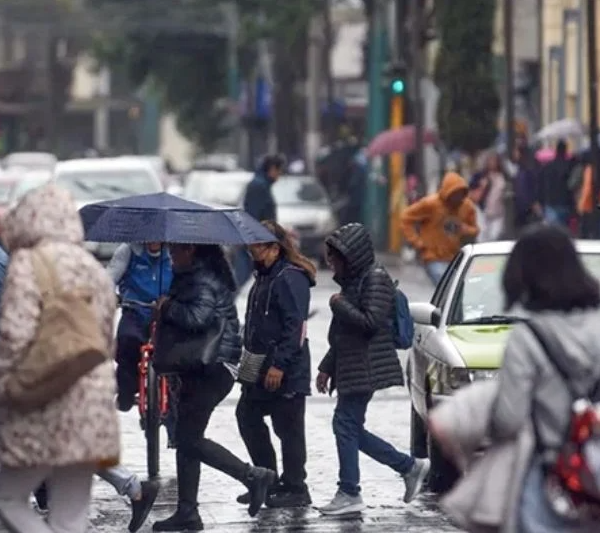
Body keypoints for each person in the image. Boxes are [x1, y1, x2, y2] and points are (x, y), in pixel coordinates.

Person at [0, 183, 120, 532]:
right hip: (93, 409)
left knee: (7, 498)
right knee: (71, 518)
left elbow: (13, 336)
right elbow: (104, 337)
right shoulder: (94, 269)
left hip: (44, 401)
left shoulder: (30, 263)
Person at [152, 243, 275, 532]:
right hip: (202, 367)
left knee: (188, 439)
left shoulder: (201, 278)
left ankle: (251, 476)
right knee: (186, 437)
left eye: (175, 252)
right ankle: (187, 512)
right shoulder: (198, 275)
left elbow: (198, 317)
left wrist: (167, 306)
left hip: (211, 366)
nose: (171, 258)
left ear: (190, 250)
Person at [316, 223, 430, 515]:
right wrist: (327, 367)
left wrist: (339, 304)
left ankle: (350, 490)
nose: (331, 263)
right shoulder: (352, 282)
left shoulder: (374, 279)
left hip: (365, 366)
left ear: (351, 255)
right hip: (351, 365)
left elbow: (369, 322)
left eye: (335, 257)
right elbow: (342, 335)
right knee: (349, 427)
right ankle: (407, 467)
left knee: (345, 425)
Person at [236, 221, 315, 508]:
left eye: (257, 247)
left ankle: (295, 487)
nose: (252, 252)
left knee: (289, 428)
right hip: (258, 365)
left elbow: (296, 327)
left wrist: (280, 365)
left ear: (274, 247)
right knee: (247, 415)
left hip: (286, 370)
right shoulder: (264, 276)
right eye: (250, 247)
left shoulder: (290, 278)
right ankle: (267, 478)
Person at [107, 242, 173, 412]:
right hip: (135, 310)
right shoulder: (128, 251)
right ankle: (126, 391)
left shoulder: (174, 253)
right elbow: (109, 278)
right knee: (127, 341)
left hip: (167, 313)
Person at [400, 172, 479, 285]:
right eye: (455, 193)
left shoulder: (467, 207)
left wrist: (466, 230)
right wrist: (417, 242)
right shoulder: (431, 204)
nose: (457, 197)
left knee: (453, 292)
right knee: (445, 285)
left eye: (460, 193)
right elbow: (406, 218)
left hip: (456, 258)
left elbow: (475, 230)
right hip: (433, 257)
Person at [233, 154, 286, 291]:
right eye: (279, 171)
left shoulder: (261, 184)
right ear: (273, 169)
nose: (279, 176)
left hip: (258, 239)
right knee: (240, 278)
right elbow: (254, 215)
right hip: (255, 240)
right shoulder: (259, 186)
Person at [537, 139, 574, 226]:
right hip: (565, 202)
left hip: (551, 202)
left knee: (553, 230)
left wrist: (541, 200)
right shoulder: (569, 165)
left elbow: (542, 184)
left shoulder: (548, 166)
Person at [513, 144, 542, 231]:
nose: (514, 154)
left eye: (516, 151)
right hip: (521, 207)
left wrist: (534, 201)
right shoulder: (520, 168)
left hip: (528, 207)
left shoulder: (528, 168)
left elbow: (533, 185)